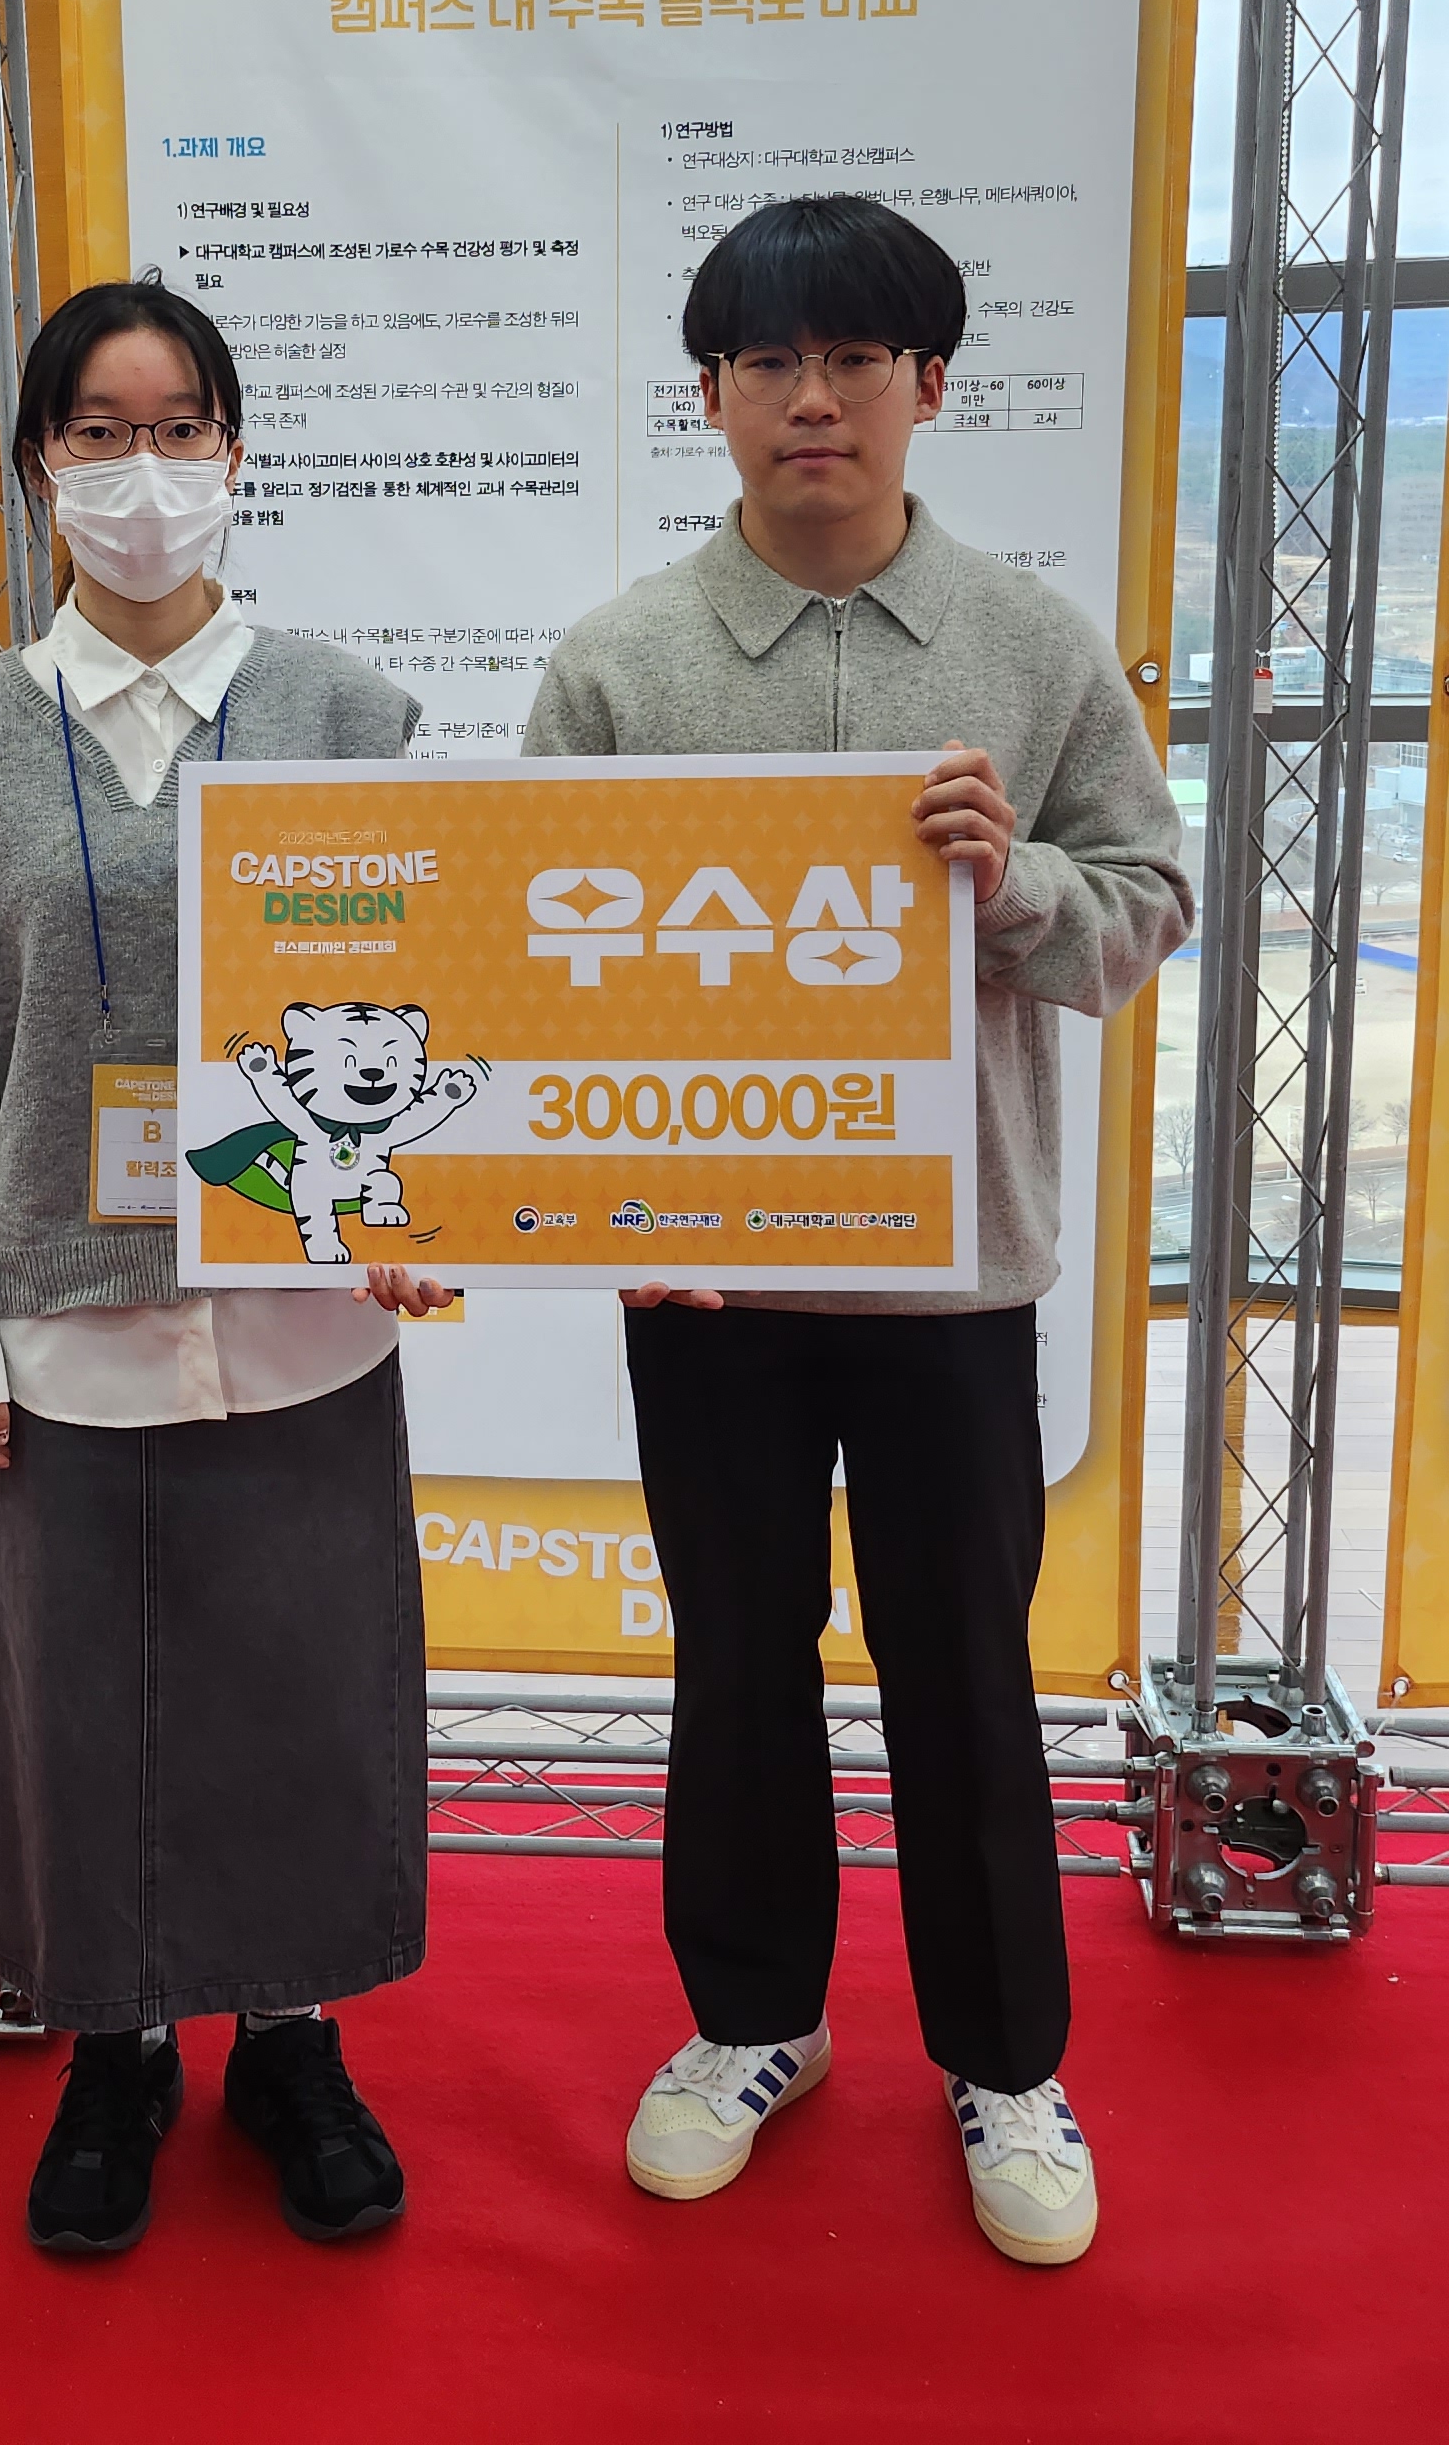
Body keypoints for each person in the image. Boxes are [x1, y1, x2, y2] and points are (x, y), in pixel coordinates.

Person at [522, 194, 1193, 2269]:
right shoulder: (618, 662)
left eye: (853, 360)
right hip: (706, 1276)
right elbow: (536, 969)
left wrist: (1015, 887)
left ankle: (1003, 2060)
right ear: (709, 397)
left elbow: (1145, 907)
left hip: (948, 1279)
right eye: (766, 364)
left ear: (929, 386)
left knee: (961, 1671)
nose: (810, 399)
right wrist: (598, 1197)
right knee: (734, 1659)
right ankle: (752, 2023)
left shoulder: (1031, 646)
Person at [0, 277, 453, 2255]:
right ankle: (114, 2052)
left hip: (298, 1322)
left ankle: (291, 2039)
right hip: (65, 1323)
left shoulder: (348, 718)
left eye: (178, 428)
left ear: (233, 452)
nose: (142, 473)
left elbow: (428, 1010)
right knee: (79, 1711)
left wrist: (424, 1219)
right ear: (39, 463)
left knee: (300, 1684)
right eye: (99, 433)